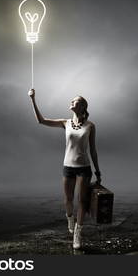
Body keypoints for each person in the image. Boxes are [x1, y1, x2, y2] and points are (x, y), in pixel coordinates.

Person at [28, 88, 102, 249]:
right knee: (68, 200)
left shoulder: (90, 126)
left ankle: (78, 233)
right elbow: (41, 121)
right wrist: (33, 99)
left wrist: (97, 171)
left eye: (74, 100)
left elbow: (93, 150)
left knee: (82, 201)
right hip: (68, 167)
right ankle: (69, 217)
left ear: (82, 106)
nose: (71, 102)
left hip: (84, 168)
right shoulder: (65, 123)